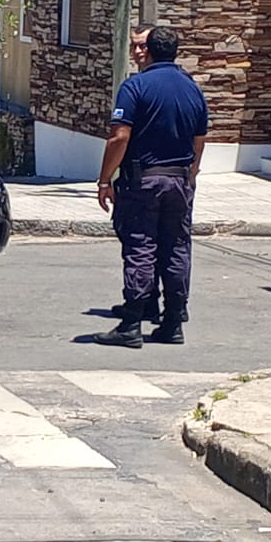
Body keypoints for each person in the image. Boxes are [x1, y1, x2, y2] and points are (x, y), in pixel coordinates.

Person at [93, 24, 208, 348]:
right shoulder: (192, 89)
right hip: (179, 178)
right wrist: (191, 174)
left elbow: (120, 137)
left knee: (141, 246)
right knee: (176, 248)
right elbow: (199, 140)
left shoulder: (136, 87)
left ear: (151, 50)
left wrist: (105, 180)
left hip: (144, 179)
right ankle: (172, 321)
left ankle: (132, 322)